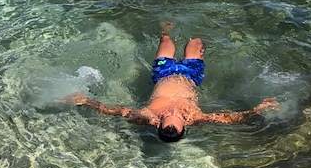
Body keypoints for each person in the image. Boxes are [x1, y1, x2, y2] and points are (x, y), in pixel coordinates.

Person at [67, 23, 278, 142]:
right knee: (195, 42)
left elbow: (115, 110)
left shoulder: (147, 117)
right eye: (174, 117)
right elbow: (231, 118)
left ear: (158, 125)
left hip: (163, 73)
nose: (171, 113)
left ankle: (165, 27)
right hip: (190, 75)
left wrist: (86, 101)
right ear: (184, 126)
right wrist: (257, 110)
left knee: (166, 40)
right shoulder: (195, 117)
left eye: (167, 117)